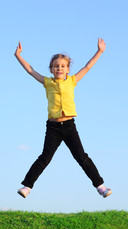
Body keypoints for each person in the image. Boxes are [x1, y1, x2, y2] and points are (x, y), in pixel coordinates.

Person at [14, 38, 112, 199]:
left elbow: (87, 67)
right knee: (45, 157)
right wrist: (18, 55)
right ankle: (27, 186)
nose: (59, 68)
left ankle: (100, 186)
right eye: (55, 66)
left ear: (67, 69)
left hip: (69, 126)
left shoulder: (72, 81)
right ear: (51, 69)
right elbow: (30, 70)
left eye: (62, 66)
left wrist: (99, 51)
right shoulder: (47, 82)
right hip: (53, 128)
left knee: (82, 157)